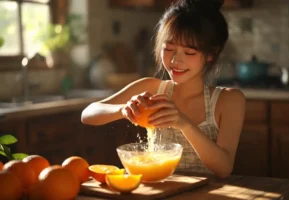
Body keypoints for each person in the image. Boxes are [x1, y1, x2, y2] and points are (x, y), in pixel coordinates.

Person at [81, 0, 245, 178]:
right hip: (159, 190)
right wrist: (124, 109)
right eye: (168, 49)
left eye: (189, 53)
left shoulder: (228, 100)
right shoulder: (151, 88)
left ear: (211, 54)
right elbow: (88, 114)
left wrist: (184, 124)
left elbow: (224, 168)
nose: (175, 61)